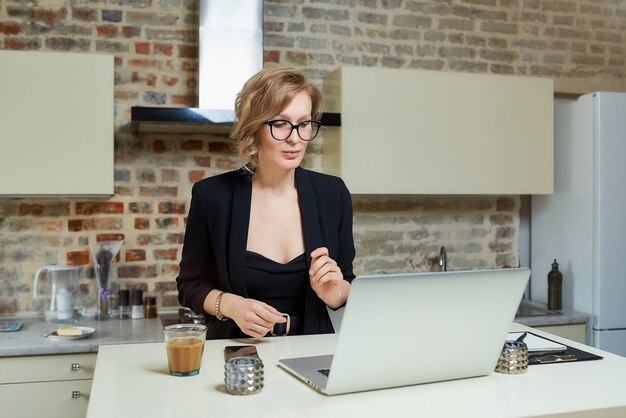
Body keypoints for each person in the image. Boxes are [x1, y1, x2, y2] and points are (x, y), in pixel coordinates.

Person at [176, 66, 356, 339]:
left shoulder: (334, 193)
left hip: (314, 353)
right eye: (281, 123)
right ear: (254, 127)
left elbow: (346, 282)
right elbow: (190, 285)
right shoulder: (212, 196)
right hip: (236, 356)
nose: (295, 138)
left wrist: (336, 293)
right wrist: (232, 306)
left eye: (304, 123)